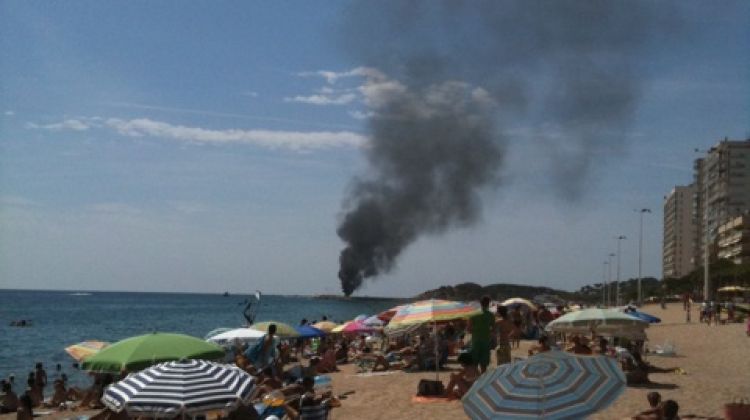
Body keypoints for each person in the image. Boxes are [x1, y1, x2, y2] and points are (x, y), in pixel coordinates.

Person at [468, 296, 495, 374]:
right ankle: (482, 380)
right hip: (486, 341)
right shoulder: (491, 315)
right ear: (488, 304)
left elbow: (469, 329)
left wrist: (476, 330)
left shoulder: (473, 314)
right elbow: (493, 329)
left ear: (480, 303)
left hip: (476, 341)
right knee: (484, 364)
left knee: (474, 363)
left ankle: (475, 380)